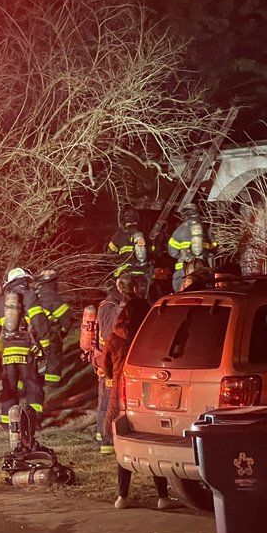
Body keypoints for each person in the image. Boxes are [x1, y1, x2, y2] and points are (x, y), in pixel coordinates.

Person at [101, 275, 172, 509]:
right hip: (149, 394)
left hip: (122, 394)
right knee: (152, 443)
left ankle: (122, 495)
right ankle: (162, 496)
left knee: (124, 444)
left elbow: (106, 368)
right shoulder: (149, 339)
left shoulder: (113, 339)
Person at [0, 267, 53, 450]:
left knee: (9, 387)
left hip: (7, 351)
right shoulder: (30, 297)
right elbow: (40, 323)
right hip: (26, 349)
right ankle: (34, 422)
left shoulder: (1, 302)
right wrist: (46, 345)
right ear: (24, 280)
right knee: (32, 384)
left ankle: (6, 424)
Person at [92, 283, 122, 452]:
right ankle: (107, 439)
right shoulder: (113, 310)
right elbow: (113, 335)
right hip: (110, 360)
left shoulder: (103, 307)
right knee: (110, 400)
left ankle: (100, 432)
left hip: (102, 358)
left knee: (104, 398)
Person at [35, 268, 72, 390]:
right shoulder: (54, 298)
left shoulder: (35, 296)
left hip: (33, 333)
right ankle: (52, 384)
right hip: (50, 333)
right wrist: (62, 332)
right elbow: (66, 319)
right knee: (54, 356)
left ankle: (29, 384)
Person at [167, 202, 216, 292]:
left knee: (181, 291)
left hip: (184, 269)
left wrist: (182, 256)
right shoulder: (206, 228)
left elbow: (172, 251)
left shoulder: (180, 230)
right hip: (204, 267)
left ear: (185, 214)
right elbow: (214, 246)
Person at [107, 207, 153, 285]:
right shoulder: (119, 236)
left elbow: (109, 255)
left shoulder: (118, 236)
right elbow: (110, 255)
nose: (131, 226)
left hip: (132, 273)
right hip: (134, 273)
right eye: (130, 223)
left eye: (133, 223)